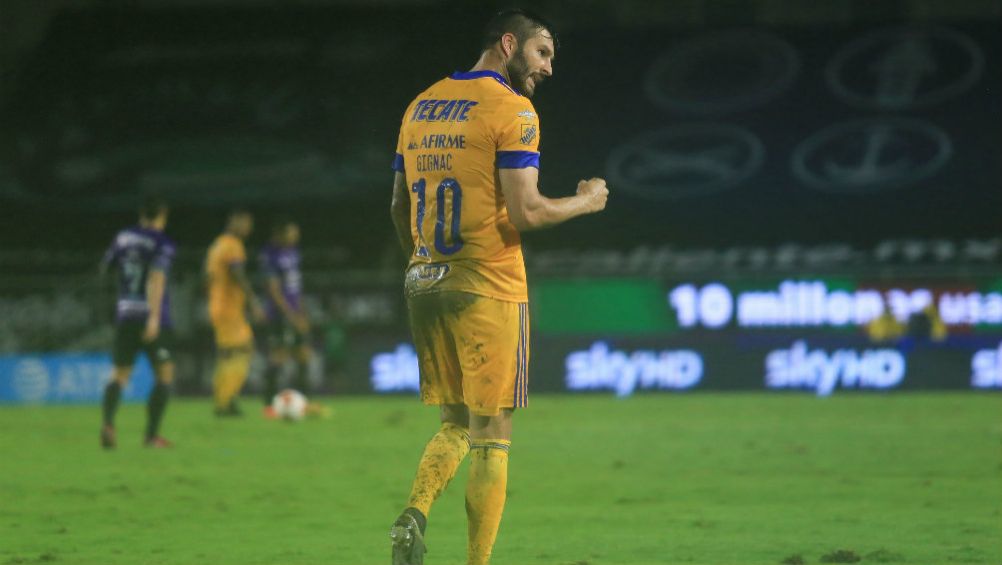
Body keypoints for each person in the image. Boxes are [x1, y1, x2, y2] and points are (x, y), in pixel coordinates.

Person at [387, 9, 609, 565]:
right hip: (488, 282)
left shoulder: (419, 105)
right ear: (509, 44)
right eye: (542, 53)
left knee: (454, 423)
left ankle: (414, 513)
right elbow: (527, 211)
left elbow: (398, 205)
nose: (548, 69)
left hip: (424, 279)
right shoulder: (513, 110)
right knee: (492, 431)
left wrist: (422, 261)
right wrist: (587, 200)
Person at [99, 195, 176, 449]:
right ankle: (151, 436)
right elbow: (157, 277)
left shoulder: (123, 237)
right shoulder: (161, 242)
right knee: (164, 374)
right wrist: (153, 317)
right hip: (153, 318)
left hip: (125, 313)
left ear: (141, 213)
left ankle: (108, 424)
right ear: (162, 215)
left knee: (119, 374)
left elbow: (106, 268)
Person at [205, 209, 263, 416]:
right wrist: (253, 302)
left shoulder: (217, 245)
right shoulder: (232, 246)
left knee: (227, 355)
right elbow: (237, 273)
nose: (249, 228)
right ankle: (226, 401)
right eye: (246, 223)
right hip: (229, 309)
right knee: (243, 349)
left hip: (218, 306)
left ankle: (223, 400)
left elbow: (209, 277)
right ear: (235, 222)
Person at [258, 217, 312, 418]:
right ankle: (268, 405)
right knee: (278, 356)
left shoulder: (294, 253)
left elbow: (296, 288)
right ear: (280, 234)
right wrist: (291, 315)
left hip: (295, 312)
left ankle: (304, 402)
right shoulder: (269, 254)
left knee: (303, 354)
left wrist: (303, 313)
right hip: (279, 315)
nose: (295, 236)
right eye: (292, 232)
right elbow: (274, 290)